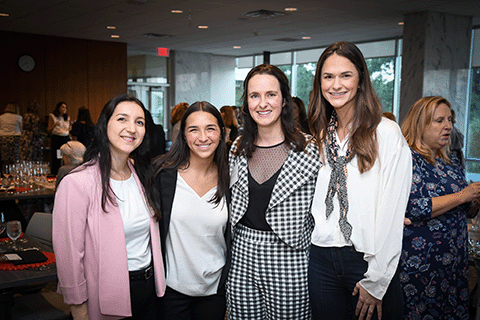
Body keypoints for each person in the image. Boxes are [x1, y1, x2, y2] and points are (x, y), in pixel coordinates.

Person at [307, 41, 412, 320]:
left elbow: (392, 212)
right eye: (328, 77)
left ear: (361, 79)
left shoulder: (386, 133)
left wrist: (377, 279)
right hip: (321, 259)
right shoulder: (321, 136)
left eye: (346, 75)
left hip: (366, 262)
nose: (336, 85)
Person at [52, 94, 165, 319]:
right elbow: (69, 254)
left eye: (139, 122)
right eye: (122, 119)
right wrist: (78, 307)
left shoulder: (142, 175)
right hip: (107, 296)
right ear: (105, 126)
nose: (131, 128)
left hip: (150, 290)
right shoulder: (78, 182)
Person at [227, 64, 321, 319]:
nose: (262, 103)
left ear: (284, 100)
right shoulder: (237, 147)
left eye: (271, 94)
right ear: (246, 103)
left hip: (290, 256)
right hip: (242, 253)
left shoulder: (310, 149)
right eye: (254, 95)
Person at [399, 96, 480, 319]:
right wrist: (462, 195)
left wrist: (473, 202)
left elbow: (463, 209)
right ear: (420, 124)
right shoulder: (406, 159)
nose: (448, 126)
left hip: (454, 262)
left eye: (449, 120)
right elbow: (410, 208)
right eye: (439, 121)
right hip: (421, 263)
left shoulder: (451, 161)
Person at [153, 101, 230, 320]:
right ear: (184, 135)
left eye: (210, 128)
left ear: (222, 133)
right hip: (170, 291)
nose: (203, 137)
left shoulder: (231, 176)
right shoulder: (163, 175)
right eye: (193, 130)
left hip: (214, 292)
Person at [48, 101, 70, 175]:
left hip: (65, 138)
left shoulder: (67, 118)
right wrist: (54, 124)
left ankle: (65, 173)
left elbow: (67, 129)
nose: (64, 109)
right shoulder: (52, 116)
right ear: (58, 108)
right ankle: (56, 173)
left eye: (66, 107)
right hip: (57, 138)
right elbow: (48, 130)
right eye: (63, 107)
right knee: (57, 157)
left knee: (66, 156)